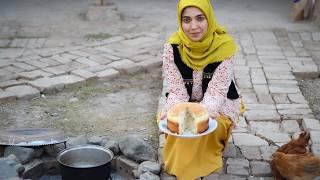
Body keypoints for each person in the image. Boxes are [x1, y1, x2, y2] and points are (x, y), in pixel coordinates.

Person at [159, 0, 243, 179]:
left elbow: (217, 92)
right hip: (187, 99)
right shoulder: (172, 48)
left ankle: (207, 156)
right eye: (186, 20)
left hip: (218, 103)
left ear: (209, 19)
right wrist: (175, 111)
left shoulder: (224, 47)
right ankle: (180, 162)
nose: (193, 26)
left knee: (209, 126)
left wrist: (201, 115)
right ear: (180, 22)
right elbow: (177, 90)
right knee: (173, 123)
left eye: (200, 18)